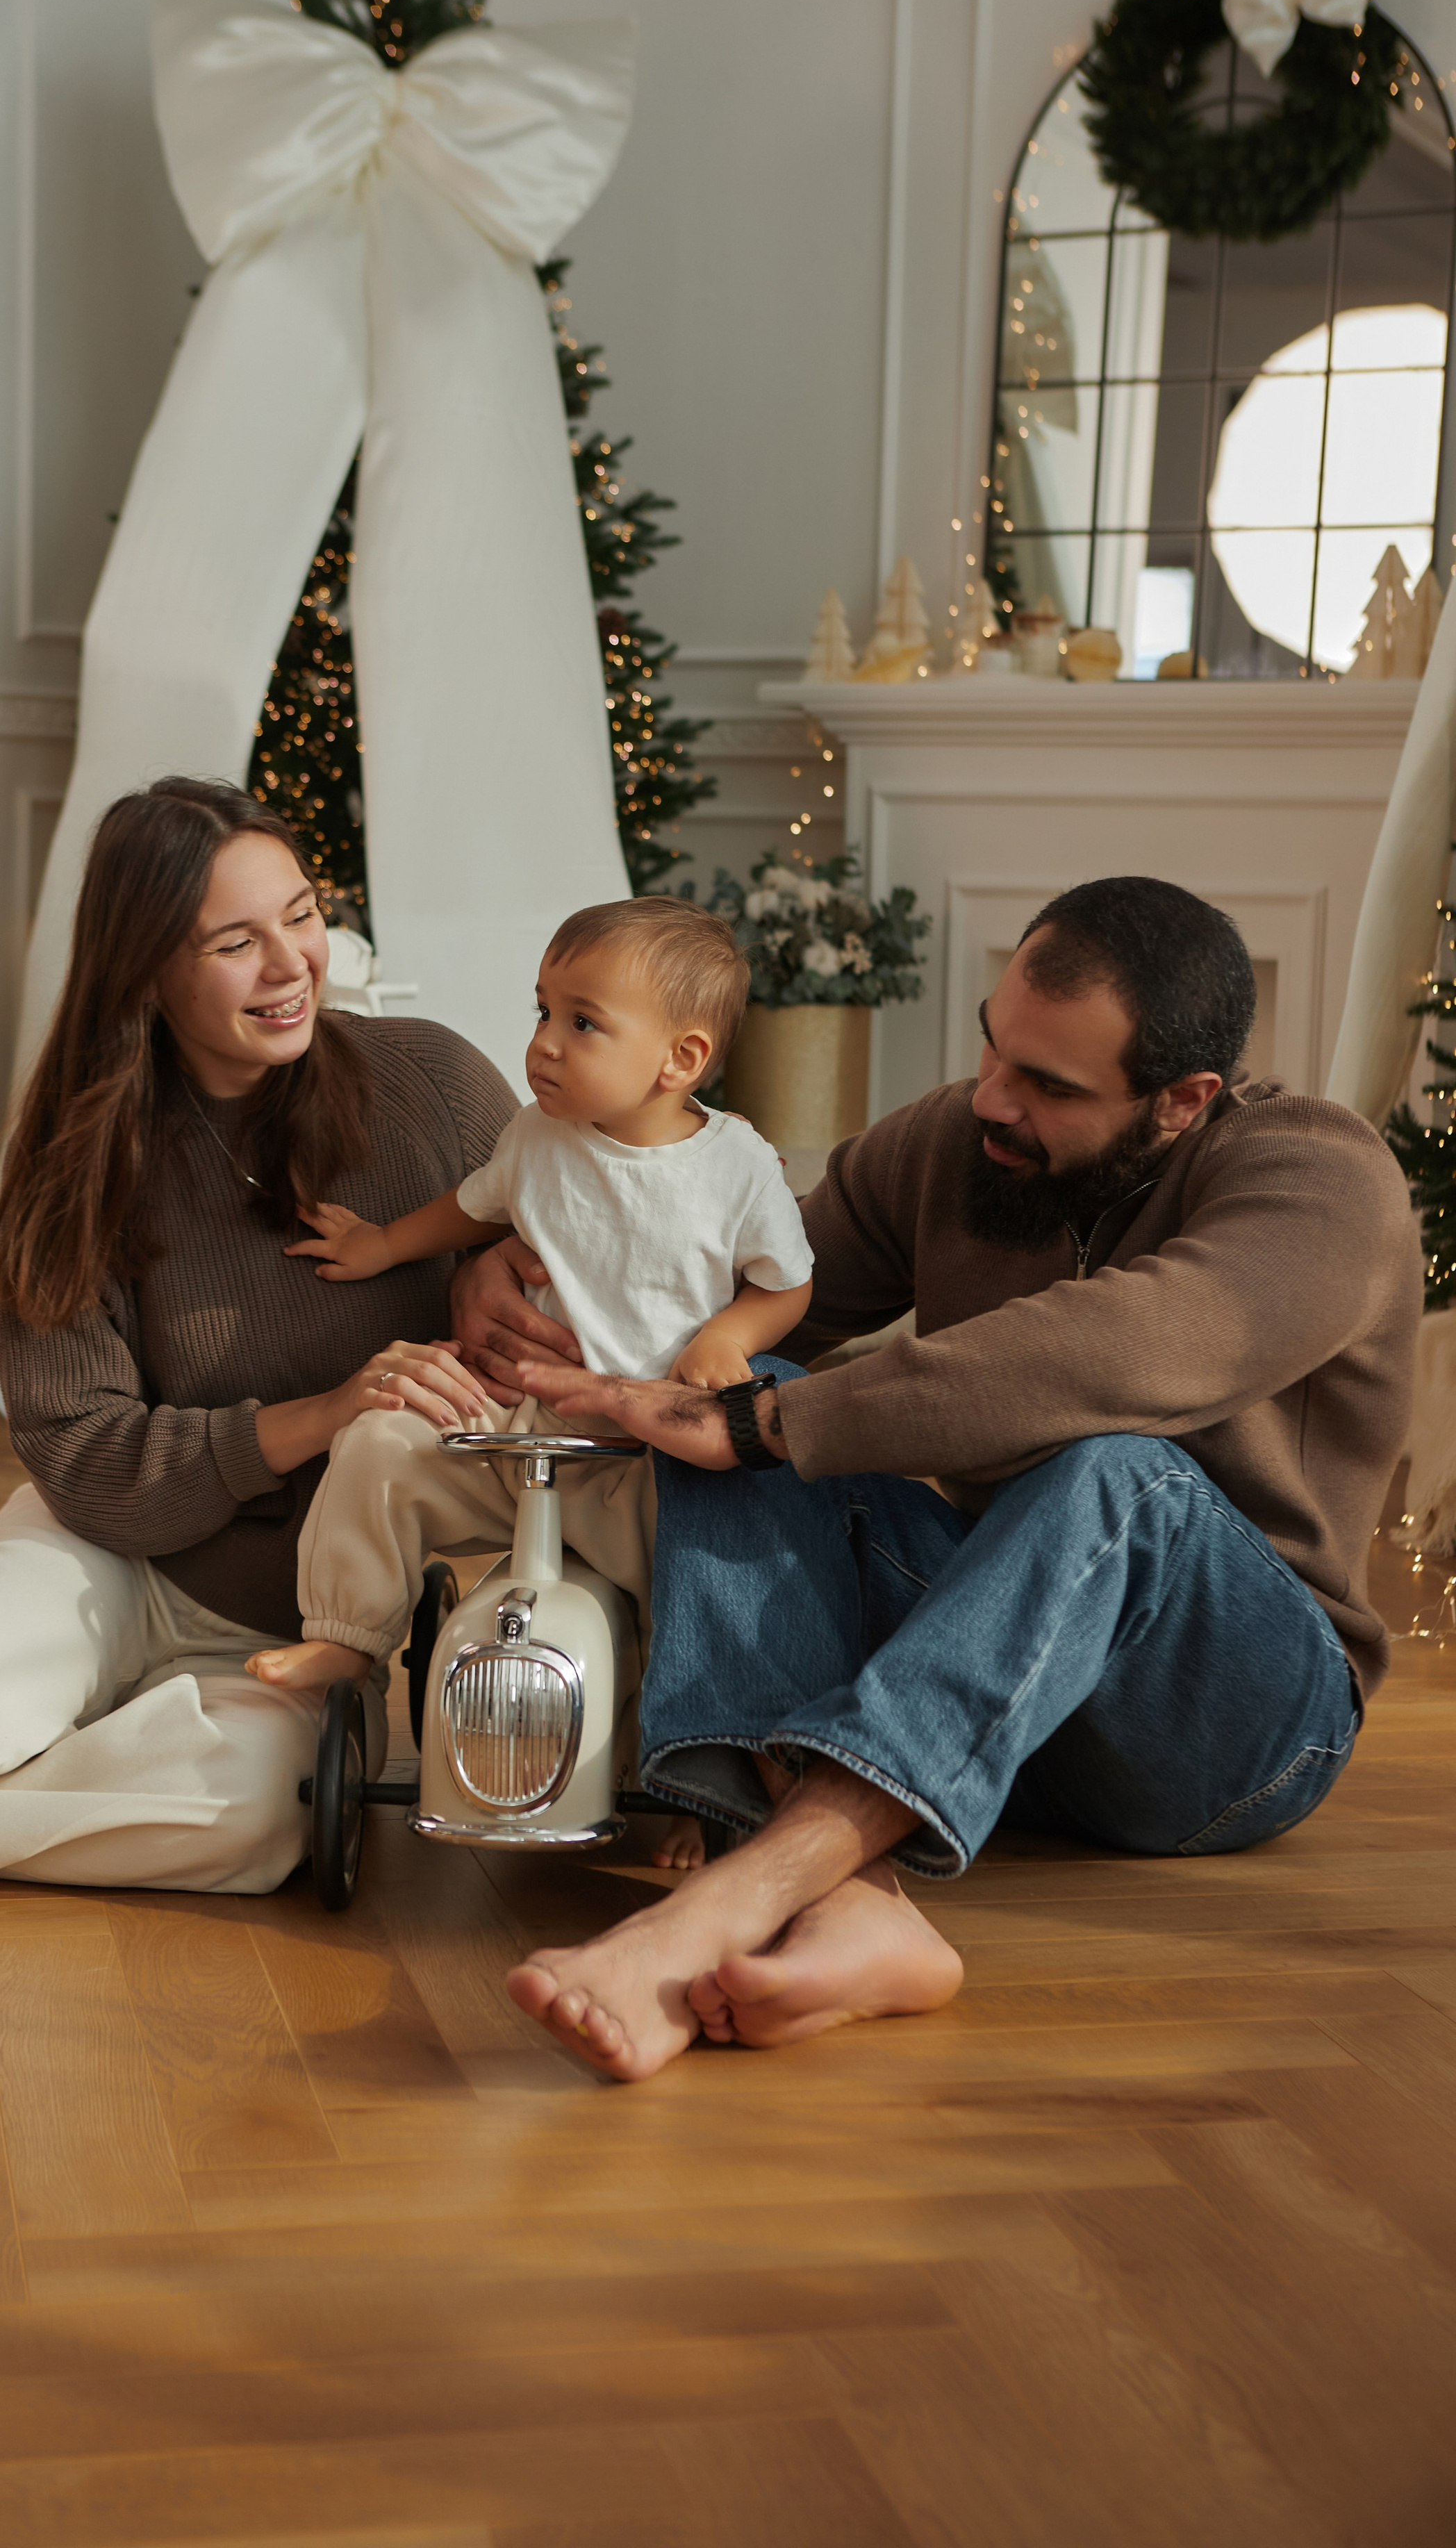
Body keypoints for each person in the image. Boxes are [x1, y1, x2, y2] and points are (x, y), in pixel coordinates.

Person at [444, 877, 1423, 2081]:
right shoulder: (960, 1143)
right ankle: (850, 1900)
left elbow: (1120, 1352)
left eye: (1051, 1087)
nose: (993, 1102)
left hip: (1231, 1724)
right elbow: (719, 1292)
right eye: (992, 1049)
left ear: (1183, 1103)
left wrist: (764, 1420)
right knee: (743, 1385)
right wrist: (509, 1272)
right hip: (996, 1683)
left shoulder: (1320, 1180)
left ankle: (732, 1905)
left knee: (1110, 1470)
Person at [0, 779, 509, 1890]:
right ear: (149, 966)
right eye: (234, 941)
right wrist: (318, 1415)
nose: (291, 964)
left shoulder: (437, 1086)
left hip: (296, 1620)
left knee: (262, 1818)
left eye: (302, 916)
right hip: (107, 1552)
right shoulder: (72, 1156)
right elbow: (83, 1460)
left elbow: (573, 1268)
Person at [249, 895, 811, 1709]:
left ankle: (693, 1757)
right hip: (515, 1430)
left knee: (702, 1588)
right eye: (543, 1010)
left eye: (582, 1023)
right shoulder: (534, 1135)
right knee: (376, 1443)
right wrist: (382, 1244)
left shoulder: (739, 1167)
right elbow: (472, 1208)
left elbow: (788, 1280)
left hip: (648, 1459)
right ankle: (344, 1637)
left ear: (679, 1060)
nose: (542, 1042)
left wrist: (731, 1334)